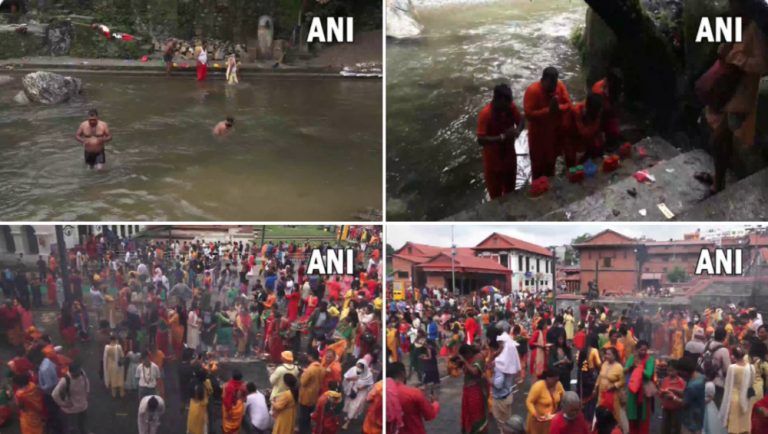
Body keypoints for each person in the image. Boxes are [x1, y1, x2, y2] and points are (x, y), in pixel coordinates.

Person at [702, 0, 768, 193]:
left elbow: (762, 65)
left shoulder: (757, 29)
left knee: (724, 139)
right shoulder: (738, 23)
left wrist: (735, 58)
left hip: (743, 94)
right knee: (722, 138)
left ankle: (721, 184)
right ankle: (719, 182)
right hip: (730, 90)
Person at [476, 83, 524, 199]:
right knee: (495, 195)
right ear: (498, 100)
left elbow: (521, 120)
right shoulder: (486, 114)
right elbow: (481, 140)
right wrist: (503, 137)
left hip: (510, 157)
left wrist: (517, 131)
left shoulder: (510, 107)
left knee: (511, 191)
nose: (509, 105)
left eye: (510, 102)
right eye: (506, 103)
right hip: (493, 162)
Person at [523, 66, 572, 179]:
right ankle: (537, 188)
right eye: (551, 84)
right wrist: (548, 111)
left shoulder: (559, 86)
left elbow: (569, 104)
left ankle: (550, 188)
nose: (553, 87)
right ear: (543, 80)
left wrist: (558, 108)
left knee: (551, 164)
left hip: (554, 134)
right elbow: (529, 115)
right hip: (538, 135)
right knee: (537, 166)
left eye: (555, 84)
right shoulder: (533, 91)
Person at [386, 362, 439, 434]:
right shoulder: (414, 393)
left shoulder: (380, 393)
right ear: (402, 374)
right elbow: (429, 415)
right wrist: (435, 403)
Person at [719, 346, 755, 434]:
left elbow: (727, 385)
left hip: (734, 398)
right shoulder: (751, 367)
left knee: (734, 425)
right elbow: (752, 382)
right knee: (744, 424)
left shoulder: (732, 368)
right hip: (747, 399)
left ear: (733, 356)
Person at [456, 343, 488, 434]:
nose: (465, 357)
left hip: (475, 390)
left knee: (476, 413)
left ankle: (479, 431)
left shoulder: (478, 357)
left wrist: (465, 362)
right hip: (467, 390)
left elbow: (474, 372)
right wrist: (461, 363)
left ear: (468, 352)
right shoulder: (468, 358)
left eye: (465, 355)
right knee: (468, 412)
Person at [625, 340, 656, 434]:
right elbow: (625, 369)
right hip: (632, 390)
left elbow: (649, 374)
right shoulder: (632, 357)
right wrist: (631, 366)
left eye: (645, 350)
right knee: (632, 416)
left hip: (644, 391)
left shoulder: (650, 359)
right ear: (637, 349)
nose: (643, 352)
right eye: (641, 350)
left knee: (643, 418)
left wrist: (639, 367)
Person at [566, 92, 604, 167]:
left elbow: (596, 132)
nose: (599, 113)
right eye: (598, 112)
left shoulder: (595, 109)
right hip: (571, 138)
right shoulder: (576, 111)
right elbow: (584, 133)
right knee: (572, 165)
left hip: (585, 135)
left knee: (597, 148)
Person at [52, 361, 90, 434]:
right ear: (71, 372)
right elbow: (54, 394)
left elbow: (86, 381)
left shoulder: (82, 373)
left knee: (82, 424)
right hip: (71, 410)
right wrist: (63, 404)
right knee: (69, 428)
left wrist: (87, 392)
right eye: (75, 374)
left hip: (83, 406)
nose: (77, 375)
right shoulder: (65, 380)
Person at [525, 369, 564, 434]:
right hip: (537, 422)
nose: (555, 383)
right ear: (548, 378)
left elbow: (564, 396)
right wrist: (535, 414)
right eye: (554, 380)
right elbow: (529, 401)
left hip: (550, 421)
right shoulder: (538, 386)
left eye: (557, 380)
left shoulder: (558, 385)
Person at [342, 358, 374, 429]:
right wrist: (351, 379)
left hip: (361, 393)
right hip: (352, 390)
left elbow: (370, 384)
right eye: (358, 366)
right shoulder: (353, 370)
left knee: (354, 406)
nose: (358, 368)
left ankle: (347, 422)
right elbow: (346, 378)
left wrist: (362, 387)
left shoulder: (369, 375)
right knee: (349, 404)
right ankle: (349, 417)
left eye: (361, 367)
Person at [299, 348, 325, 432]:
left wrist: (303, 373)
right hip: (314, 394)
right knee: (310, 415)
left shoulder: (310, 369)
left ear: (311, 357)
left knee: (303, 417)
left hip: (306, 396)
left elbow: (303, 382)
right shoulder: (321, 367)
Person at [103, 334, 125, 398]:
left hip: (110, 366)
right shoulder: (118, 347)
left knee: (113, 380)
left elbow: (106, 358)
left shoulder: (107, 348)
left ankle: (114, 394)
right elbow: (122, 356)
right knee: (120, 379)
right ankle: (122, 393)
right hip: (118, 366)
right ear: (115, 340)